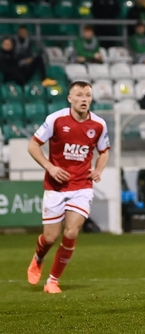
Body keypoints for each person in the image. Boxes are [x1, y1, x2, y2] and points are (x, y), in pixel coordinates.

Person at [26, 81, 110, 294]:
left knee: (71, 232)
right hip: (55, 186)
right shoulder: (56, 119)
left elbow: (104, 151)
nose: (84, 99)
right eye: (79, 95)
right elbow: (33, 145)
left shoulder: (98, 124)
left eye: (88, 95)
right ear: (70, 98)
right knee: (50, 237)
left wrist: (98, 170)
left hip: (82, 186)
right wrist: (50, 167)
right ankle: (39, 257)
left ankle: (52, 281)